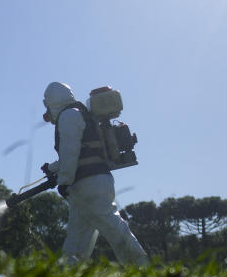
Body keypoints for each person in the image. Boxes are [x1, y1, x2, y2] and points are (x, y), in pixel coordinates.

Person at [42, 81, 150, 266]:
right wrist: (53, 169)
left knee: (113, 227)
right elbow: (81, 151)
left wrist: (65, 181)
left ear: (53, 101)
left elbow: (70, 151)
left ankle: (143, 269)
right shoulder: (80, 114)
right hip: (89, 184)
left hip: (88, 184)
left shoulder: (68, 116)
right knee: (76, 238)